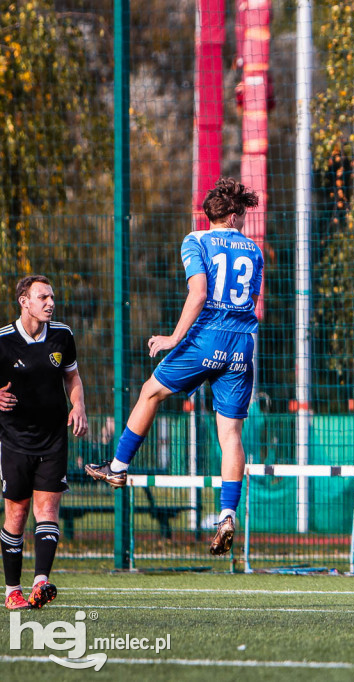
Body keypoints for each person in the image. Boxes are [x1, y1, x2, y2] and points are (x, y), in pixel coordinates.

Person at [85, 177, 264, 557]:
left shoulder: (195, 240)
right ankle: (228, 515)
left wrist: (173, 339)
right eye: (243, 214)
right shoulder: (254, 250)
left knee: (150, 392)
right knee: (230, 435)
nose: (245, 221)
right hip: (242, 347)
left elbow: (199, 292)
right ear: (233, 215)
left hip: (206, 338)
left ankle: (117, 466)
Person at [0, 275, 88, 610]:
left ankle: (40, 583)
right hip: (14, 439)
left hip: (53, 438)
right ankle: (12, 591)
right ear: (24, 301)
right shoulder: (4, 341)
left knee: (48, 510)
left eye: (52, 297)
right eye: (42, 297)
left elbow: (72, 375)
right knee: (18, 513)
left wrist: (78, 404)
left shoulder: (63, 335)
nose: (50, 303)